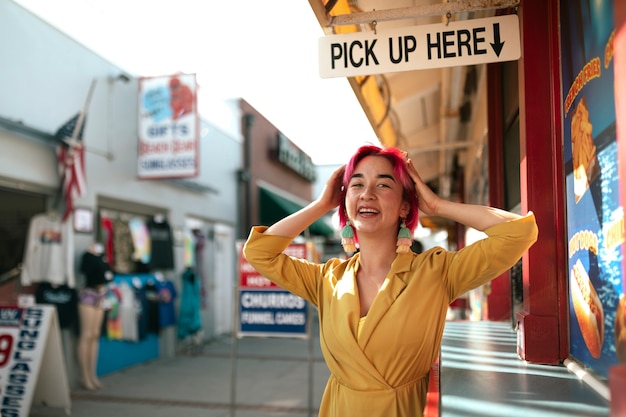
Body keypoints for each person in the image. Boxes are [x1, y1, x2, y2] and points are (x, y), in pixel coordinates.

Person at [243, 144, 538, 417]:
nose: (367, 193)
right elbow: (259, 252)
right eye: (356, 184)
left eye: (383, 184)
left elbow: (519, 233)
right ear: (344, 201)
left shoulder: (436, 271)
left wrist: (436, 205)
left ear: (405, 206)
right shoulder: (326, 279)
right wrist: (321, 205)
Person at [77, 242, 112, 390]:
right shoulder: (87, 256)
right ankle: (84, 376)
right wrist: (93, 255)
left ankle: (92, 374)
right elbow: (84, 270)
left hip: (101, 294)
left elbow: (108, 274)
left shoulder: (102, 256)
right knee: (87, 335)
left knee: (95, 335)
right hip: (88, 295)